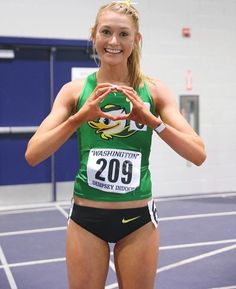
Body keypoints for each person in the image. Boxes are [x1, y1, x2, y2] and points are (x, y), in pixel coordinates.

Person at [25, 1, 206, 289]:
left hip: (138, 220)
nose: (113, 42)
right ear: (94, 35)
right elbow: (33, 154)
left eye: (123, 34)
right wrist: (79, 118)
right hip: (86, 218)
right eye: (106, 32)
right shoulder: (74, 92)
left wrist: (152, 121)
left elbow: (197, 153)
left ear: (137, 40)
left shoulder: (154, 91)